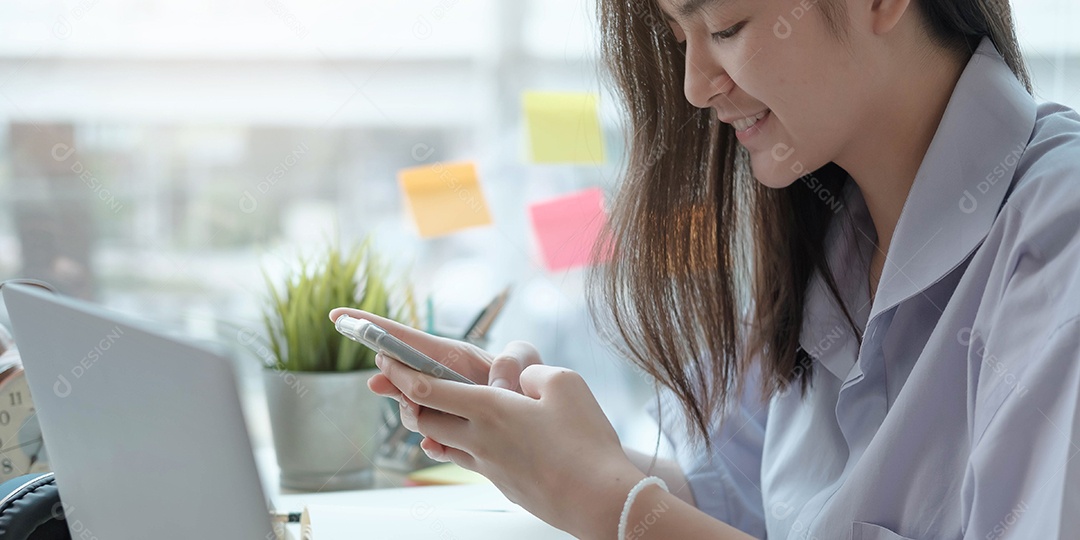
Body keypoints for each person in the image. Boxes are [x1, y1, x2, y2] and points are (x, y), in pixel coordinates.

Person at [331, 0, 1080, 537]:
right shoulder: (826, 236)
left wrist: (611, 505)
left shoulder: (1058, 241)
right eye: (677, 34)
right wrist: (540, 449)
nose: (694, 86)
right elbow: (730, 500)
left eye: (725, 28)